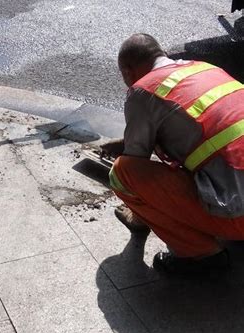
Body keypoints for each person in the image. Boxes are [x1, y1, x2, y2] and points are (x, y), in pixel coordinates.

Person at [101, 33, 244, 275]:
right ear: (163, 54)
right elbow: (211, 128)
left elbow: (136, 159)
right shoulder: (205, 68)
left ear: (127, 71)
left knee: (123, 172)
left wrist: (140, 213)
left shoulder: (143, 91)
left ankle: (200, 254)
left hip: (239, 217)